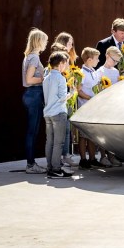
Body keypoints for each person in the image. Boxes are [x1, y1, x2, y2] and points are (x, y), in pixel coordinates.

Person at [43, 52, 74, 179]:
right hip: (58, 112)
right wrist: (71, 93)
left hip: (48, 113)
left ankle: (50, 167)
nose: (67, 65)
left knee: (49, 141)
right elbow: (62, 98)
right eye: (66, 63)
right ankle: (56, 169)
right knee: (58, 143)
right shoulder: (61, 78)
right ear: (61, 64)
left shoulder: (46, 77)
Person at [22, 28, 49, 174]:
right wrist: (44, 78)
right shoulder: (34, 57)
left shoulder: (29, 56)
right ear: (39, 41)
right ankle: (31, 164)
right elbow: (29, 79)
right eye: (44, 41)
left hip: (31, 95)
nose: (46, 44)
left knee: (32, 131)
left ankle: (31, 163)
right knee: (32, 131)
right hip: (34, 94)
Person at [52, 32, 78, 168]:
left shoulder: (70, 59)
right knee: (60, 130)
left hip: (68, 96)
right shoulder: (57, 60)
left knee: (68, 129)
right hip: (61, 98)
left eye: (72, 44)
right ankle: (60, 158)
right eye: (69, 43)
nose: (71, 46)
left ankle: (66, 155)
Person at [76, 47, 105, 169]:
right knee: (83, 135)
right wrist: (89, 98)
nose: (98, 60)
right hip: (84, 107)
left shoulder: (93, 71)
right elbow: (78, 90)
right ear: (89, 60)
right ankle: (83, 159)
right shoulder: (82, 73)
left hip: (93, 108)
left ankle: (93, 158)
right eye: (96, 58)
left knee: (92, 135)